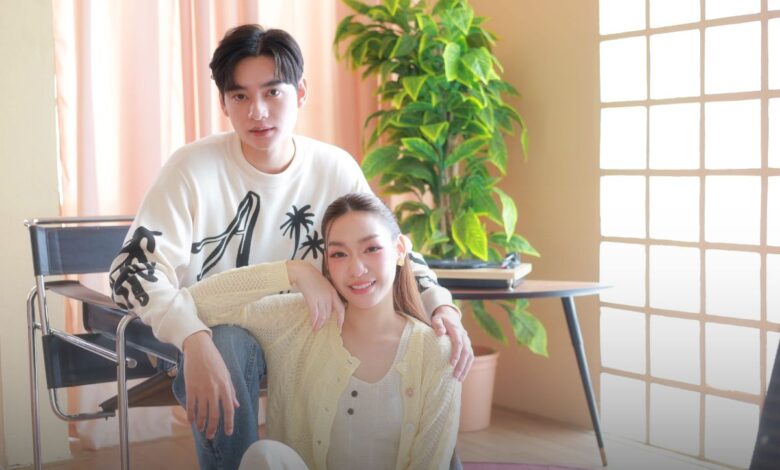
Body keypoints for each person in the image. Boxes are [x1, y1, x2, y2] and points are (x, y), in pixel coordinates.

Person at [108, 24, 473, 470]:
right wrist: (193, 337)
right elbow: (130, 272)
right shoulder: (191, 168)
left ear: (300, 92)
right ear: (223, 103)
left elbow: (384, 245)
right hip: (222, 332)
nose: (257, 111)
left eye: (273, 92)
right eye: (240, 96)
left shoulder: (333, 167)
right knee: (227, 341)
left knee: (426, 353)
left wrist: (441, 306)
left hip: (308, 330)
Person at [187, 193, 461, 470]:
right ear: (327, 263)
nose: (357, 269)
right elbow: (194, 303)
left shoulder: (435, 349)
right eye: (339, 254)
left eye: (371, 249)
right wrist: (294, 271)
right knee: (265, 455)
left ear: (399, 249)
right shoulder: (299, 321)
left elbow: (432, 461)